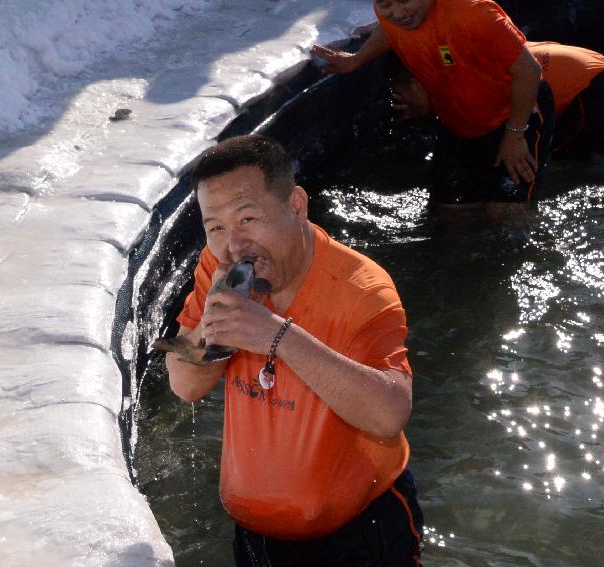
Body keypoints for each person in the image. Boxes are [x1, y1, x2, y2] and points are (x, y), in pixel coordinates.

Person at [165, 134, 422, 566]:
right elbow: (184, 384)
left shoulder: (362, 290)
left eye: (248, 218)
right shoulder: (218, 268)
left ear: (296, 205)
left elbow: (389, 414)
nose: (234, 244)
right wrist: (212, 334)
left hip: (358, 534)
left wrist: (275, 336)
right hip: (257, 537)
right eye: (216, 228)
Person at [312, 0, 555, 206]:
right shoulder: (392, 16)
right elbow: (388, 29)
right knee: (448, 213)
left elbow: (529, 71)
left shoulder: (475, 13)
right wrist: (357, 59)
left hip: (513, 118)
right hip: (459, 123)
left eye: (406, 0)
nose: (398, 13)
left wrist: (514, 136)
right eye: (386, 4)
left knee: (505, 213)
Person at [388, 41, 604, 158]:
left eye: (402, 92)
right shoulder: (455, 57)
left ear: (416, 81)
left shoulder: (467, 83)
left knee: (533, 162)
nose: (402, 100)